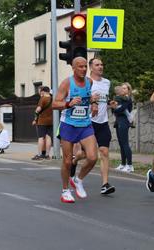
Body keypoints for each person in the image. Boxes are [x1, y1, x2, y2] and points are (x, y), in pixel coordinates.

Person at [52, 57, 98, 203]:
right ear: (73, 68)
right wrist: (68, 104)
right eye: (80, 67)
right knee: (67, 161)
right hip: (69, 124)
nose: (84, 69)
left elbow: (89, 97)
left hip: (85, 124)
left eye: (85, 66)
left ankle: (78, 180)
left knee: (92, 157)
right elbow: (54, 104)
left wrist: (94, 103)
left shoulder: (89, 82)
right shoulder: (67, 83)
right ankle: (65, 191)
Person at [71, 58, 115, 195]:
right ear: (91, 68)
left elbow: (104, 100)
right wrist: (93, 103)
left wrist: (110, 104)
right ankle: (74, 160)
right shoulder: (87, 82)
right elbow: (81, 99)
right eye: (97, 65)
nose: (100, 67)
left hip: (103, 122)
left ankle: (105, 184)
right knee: (85, 154)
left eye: (102, 64)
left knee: (104, 152)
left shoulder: (107, 82)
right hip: (88, 122)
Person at [111, 83, 134, 173]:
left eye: (125, 88)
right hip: (118, 121)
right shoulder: (119, 98)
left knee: (125, 143)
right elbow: (114, 110)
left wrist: (116, 108)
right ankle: (123, 164)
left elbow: (119, 109)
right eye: (122, 88)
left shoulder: (127, 99)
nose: (122, 90)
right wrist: (115, 108)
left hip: (124, 122)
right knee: (121, 144)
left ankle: (130, 165)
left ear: (128, 90)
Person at [31, 86, 53, 160]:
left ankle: (39, 155)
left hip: (42, 121)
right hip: (51, 121)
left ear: (43, 91)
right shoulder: (52, 98)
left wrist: (35, 118)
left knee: (41, 137)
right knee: (48, 137)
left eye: (40, 91)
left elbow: (38, 110)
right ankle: (47, 155)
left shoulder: (43, 98)